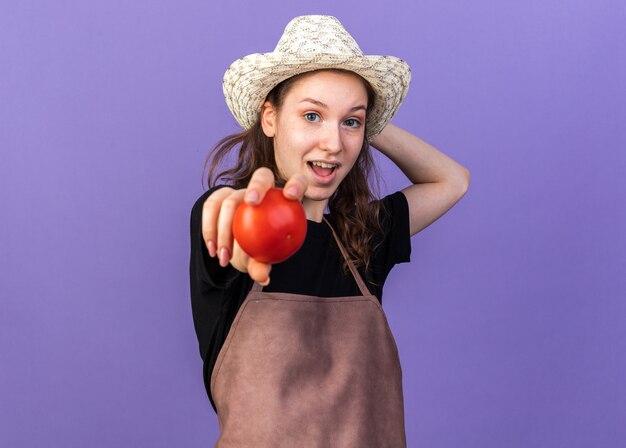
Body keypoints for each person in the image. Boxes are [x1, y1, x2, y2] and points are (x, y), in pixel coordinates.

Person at [189, 15, 470, 447]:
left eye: (350, 124)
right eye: (311, 115)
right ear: (270, 118)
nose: (334, 144)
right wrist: (238, 223)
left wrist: (365, 115)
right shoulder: (238, 219)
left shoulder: (366, 237)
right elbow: (223, 223)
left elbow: (452, 180)